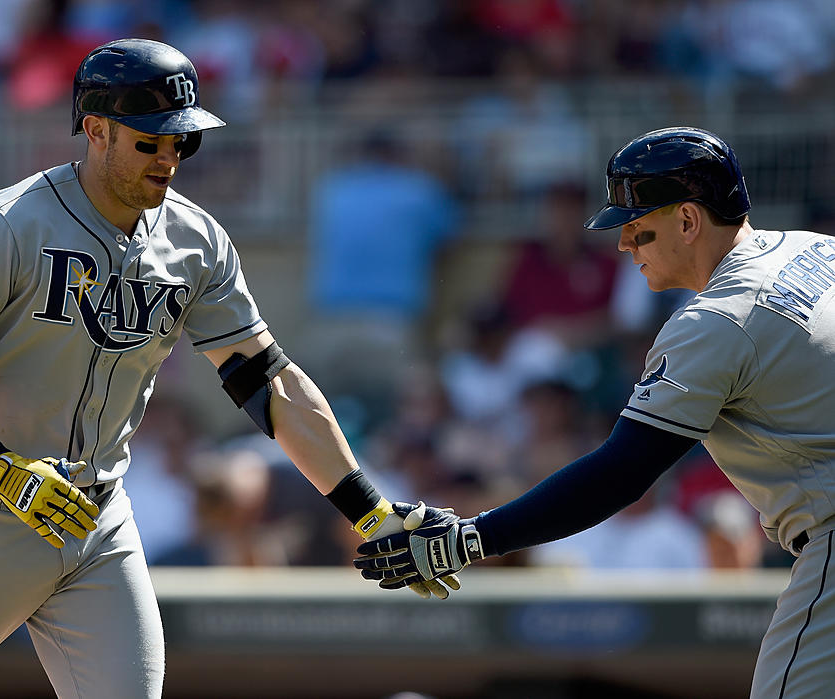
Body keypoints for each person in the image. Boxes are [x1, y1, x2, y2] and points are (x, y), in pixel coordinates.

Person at [0, 38, 452, 699]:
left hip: (93, 523)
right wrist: (2, 467)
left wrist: (371, 511)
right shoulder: (8, 223)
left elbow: (272, 383)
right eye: (150, 141)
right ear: (95, 130)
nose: (169, 157)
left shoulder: (195, 241)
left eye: (181, 141)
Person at [355, 126, 835, 698]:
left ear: (688, 221)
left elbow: (620, 473)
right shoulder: (815, 248)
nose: (623, 245)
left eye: (638, 228)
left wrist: (466, 539)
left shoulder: (715, 320)